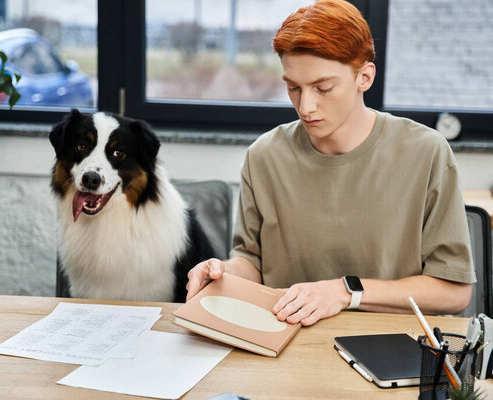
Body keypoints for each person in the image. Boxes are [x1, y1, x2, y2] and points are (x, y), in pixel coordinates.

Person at [186, 0, 475, 326]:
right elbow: (252, 263)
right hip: (285, 343)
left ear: (364, 77)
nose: (306, 106)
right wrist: (222, 274)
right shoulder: (264, 156)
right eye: (293, 88)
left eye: (323, 87)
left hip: (390, 346)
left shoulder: (425, 153)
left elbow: (453, 292)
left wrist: (345, 292)